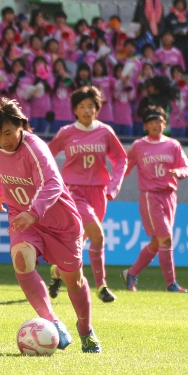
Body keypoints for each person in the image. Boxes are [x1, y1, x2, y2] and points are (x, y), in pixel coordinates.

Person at [0, 97, 101, 353]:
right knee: (21, 261)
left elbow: (53, 183)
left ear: (22, 126)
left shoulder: (35, 147)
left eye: (8, 133)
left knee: (74, 282)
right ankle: (53, 322)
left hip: (60, 223)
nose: (4, 140)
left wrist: (34, 212)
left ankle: (85, 330)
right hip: (23, 218)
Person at [48, 86, 127, 303]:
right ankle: (101, 286)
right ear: (74, 110)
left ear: (97, 109)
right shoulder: (66, 133)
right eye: (81, 106)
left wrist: (114, 185)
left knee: (78, 243)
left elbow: (121, 159)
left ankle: (56, 272)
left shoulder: (105, 132)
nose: (86, 110)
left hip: (99, 193)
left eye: (91, 106)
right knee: (98, 236)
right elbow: (46, 155)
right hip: (73, 192)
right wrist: (50, 183)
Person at [122, 105, 188, 292]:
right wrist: (111, 182)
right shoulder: (138, 146)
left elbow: (187, 167)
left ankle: (132, 273)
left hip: (169, 196)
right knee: (166, 239)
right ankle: (171, 284)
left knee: (157, 242)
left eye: (158, 122)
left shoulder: (173, 145)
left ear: (165, 123)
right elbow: (125, 168)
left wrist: (179, 172)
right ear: (145, 125)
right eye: (151, 122)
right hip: (150, 196)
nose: (155, 125)